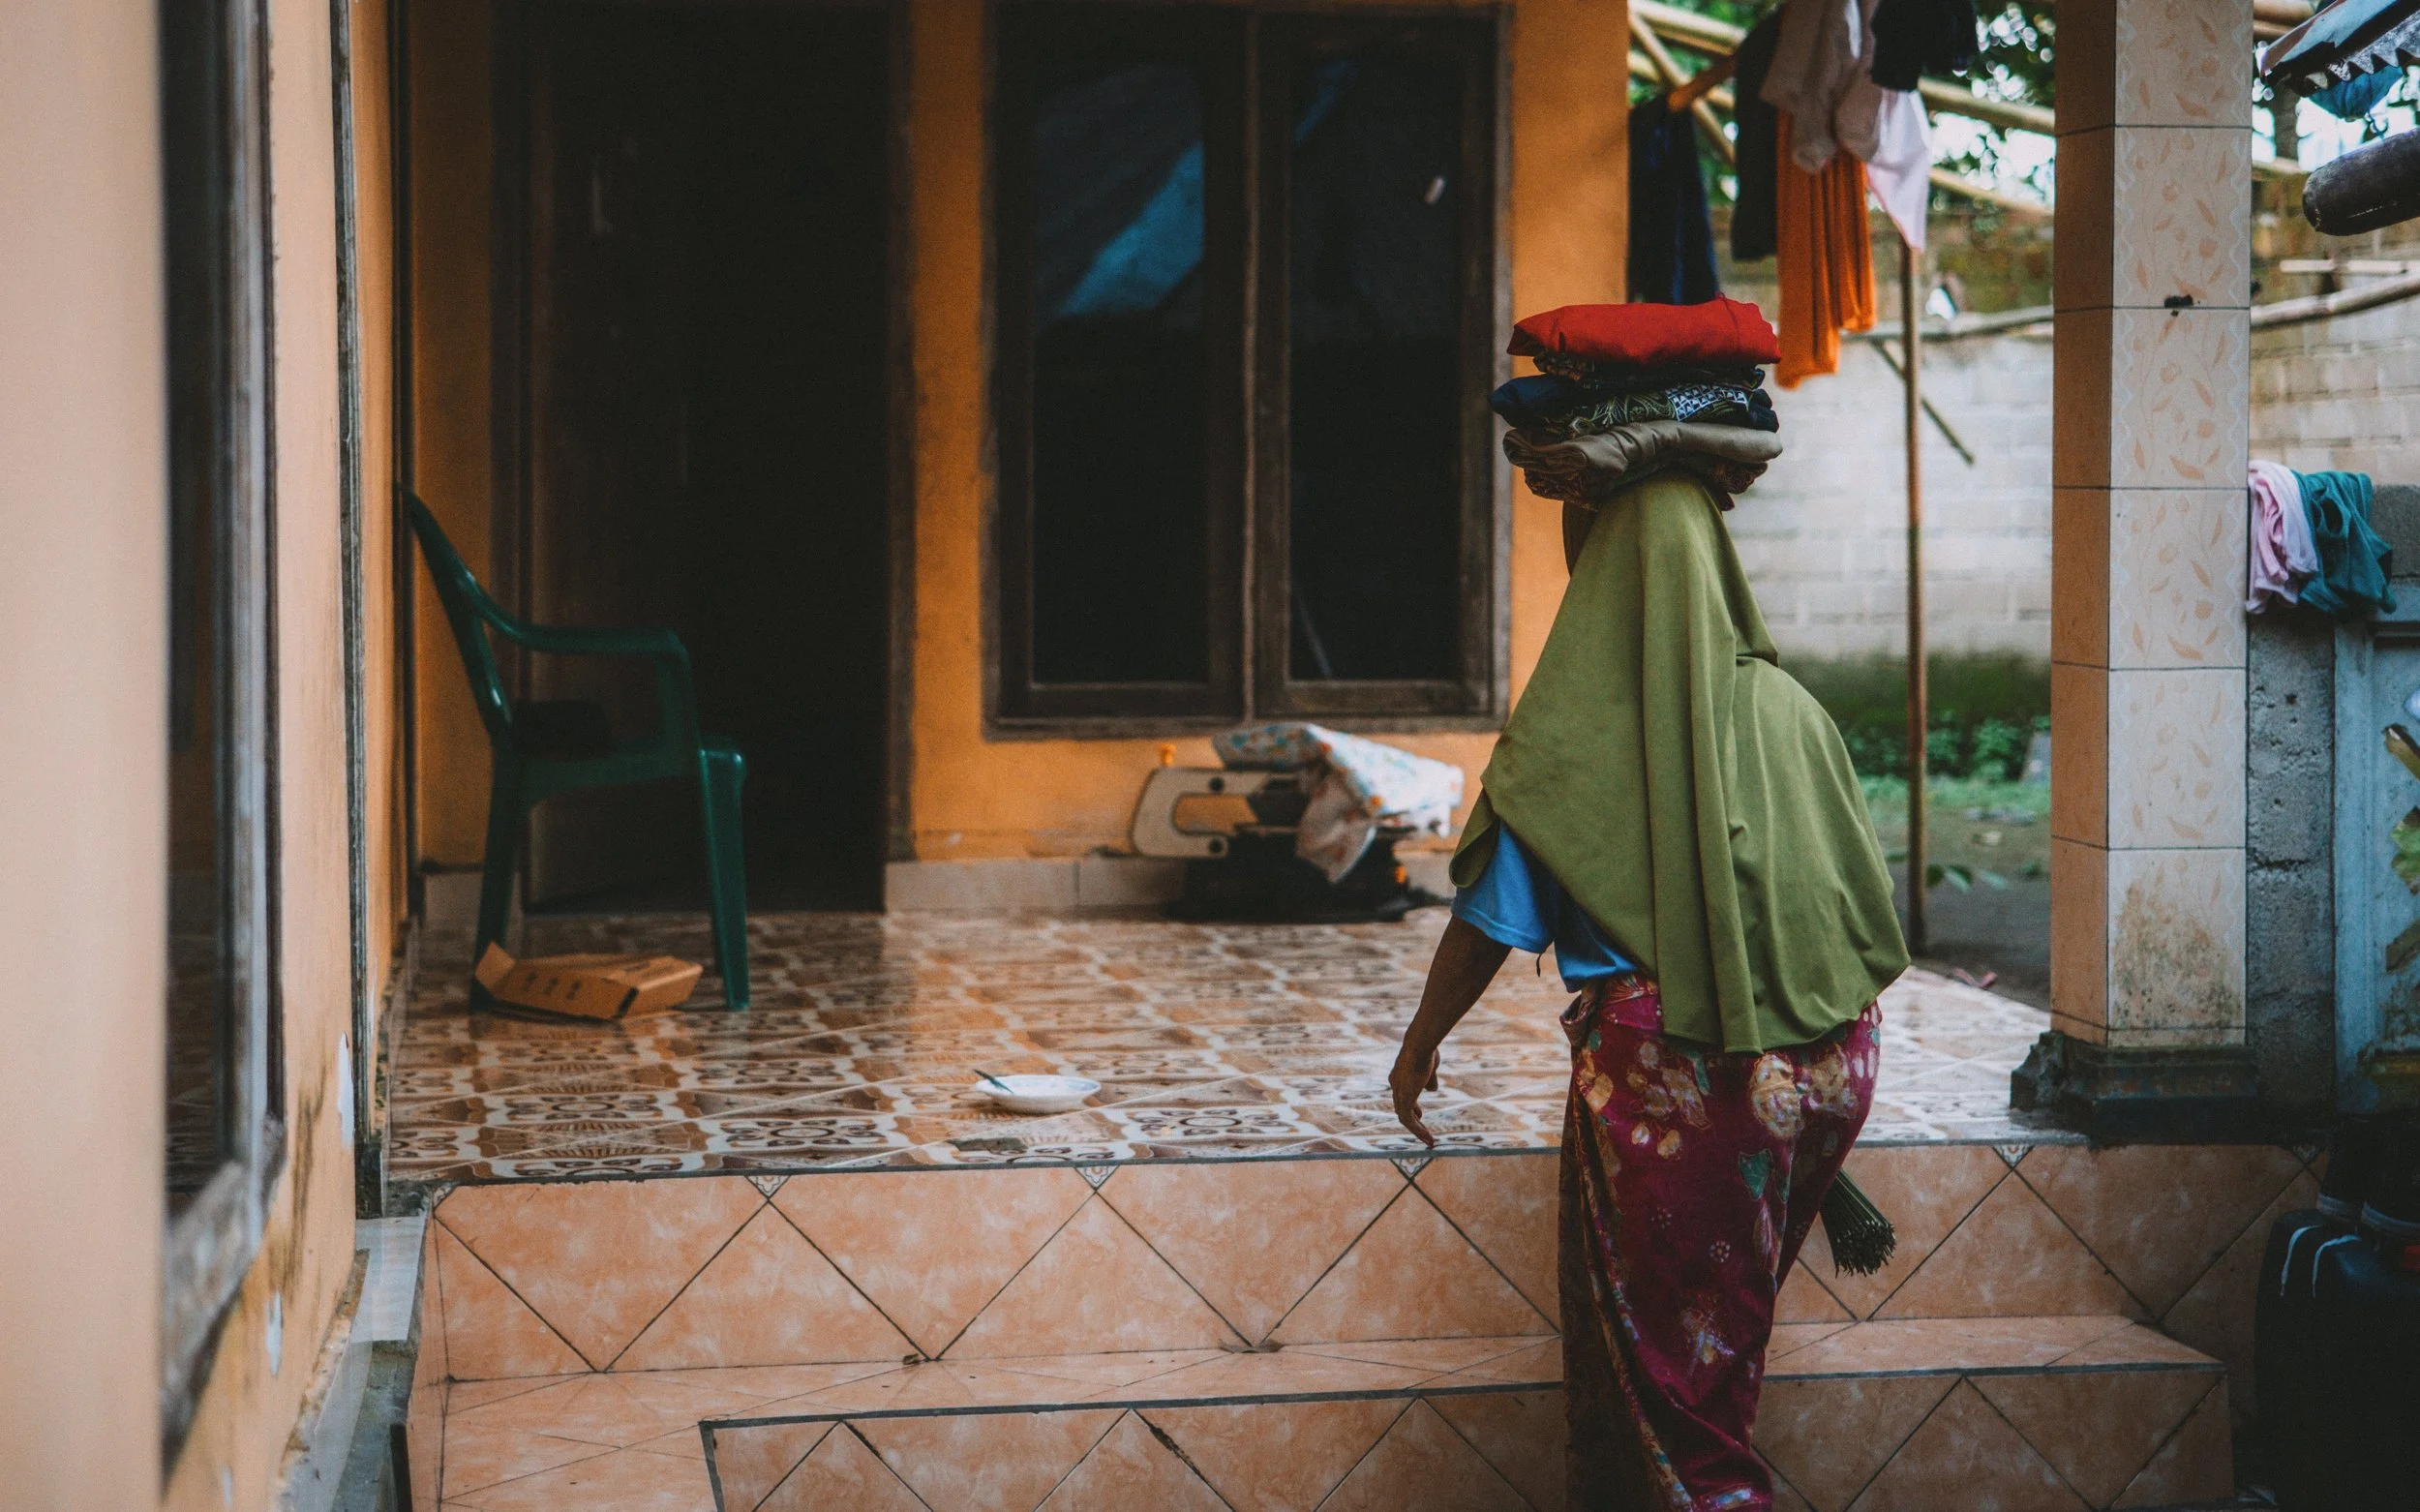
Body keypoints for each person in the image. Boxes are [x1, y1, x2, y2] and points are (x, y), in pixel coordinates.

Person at [1390, 451, 1907, 1511]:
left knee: (1679, 1402)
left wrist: (1418, 1043)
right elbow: (1842, 908)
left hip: (1687, 1078)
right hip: (1825, 1069)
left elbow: (1493, 913)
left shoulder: (1580, 725)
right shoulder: (1794, 710)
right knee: (1718, 1348)